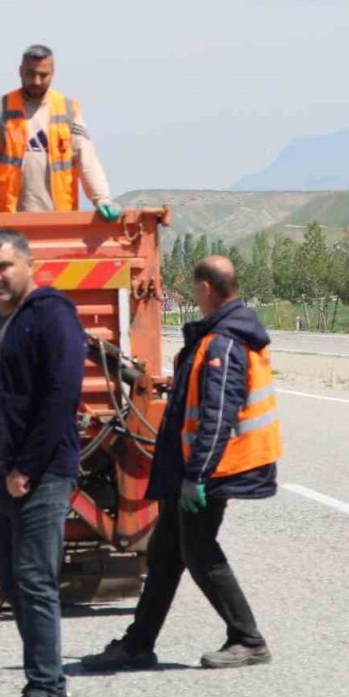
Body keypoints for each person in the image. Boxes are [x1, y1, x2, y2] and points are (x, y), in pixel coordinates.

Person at [80, 256, 283, 671]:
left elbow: (218, 415)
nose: (194, 294)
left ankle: (248, 639)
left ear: (206, 288)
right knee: (166, 554)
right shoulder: (218, 338)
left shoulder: (223, 344)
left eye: (194, 288)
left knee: (199, 551)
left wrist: (196, 477)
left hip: (210, 471)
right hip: (194, 469)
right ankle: (138, 644)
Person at [0, 229, 87, 697]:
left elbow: (60, 399)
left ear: (29, 265)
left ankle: (45, 695)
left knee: (34, 581)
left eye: (4, 266)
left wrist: (25, 469)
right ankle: (46, 687)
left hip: (38, 477)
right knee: (13, 583)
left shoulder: (52, 316)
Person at [0, 44, 120, 224]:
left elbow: (86, 157)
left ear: (53, 73)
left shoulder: (68, 109)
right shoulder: (0, 109)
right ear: (21, 71)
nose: (36, 81)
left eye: (43, 75)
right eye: (31, 74)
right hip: (8, 215)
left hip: (58, 216)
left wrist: (101, 197)